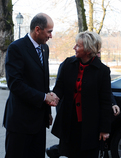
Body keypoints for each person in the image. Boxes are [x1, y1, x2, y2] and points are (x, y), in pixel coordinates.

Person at [3, 13, 59, 158]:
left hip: (39, 122)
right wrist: (43, 97)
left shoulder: (44, 49)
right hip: (20, 123)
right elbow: (15, 84)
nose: (51, 36)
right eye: (49, 31)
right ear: (37, 29)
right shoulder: (16, 48)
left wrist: (47, 110)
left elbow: (42, 82)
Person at [49, 31, 112, 158]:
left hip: (90, 126)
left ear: (88, 50)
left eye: (78, 46)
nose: (74, 48)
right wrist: (53, 96)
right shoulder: (68, 64)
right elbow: (59, 87)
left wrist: (105, 129)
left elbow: (105, 101)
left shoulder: (103, 71)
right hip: (69, 123)